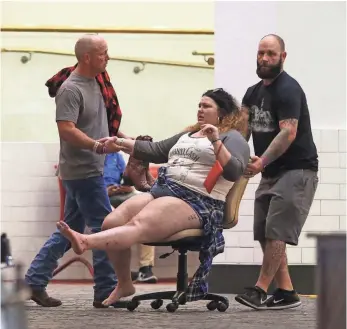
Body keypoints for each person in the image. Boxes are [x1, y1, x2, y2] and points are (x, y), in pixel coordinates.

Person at [55, 88, 250, 306]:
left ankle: (85, 241)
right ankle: (124, 283)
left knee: (138, 224)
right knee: (110, 222)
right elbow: (154, 150)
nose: (200, 110)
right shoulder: (188, 135)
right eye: (199, 105)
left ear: (222, 112)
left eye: (206, 106)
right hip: (166, 191)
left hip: (199, 201)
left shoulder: (232, 138)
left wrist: (215, 141)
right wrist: (118, 143)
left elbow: (234, 171)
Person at [24, 34, 129, 308]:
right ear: (87, 57)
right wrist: (96, 147)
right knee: (104, 228)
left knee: (70, 230)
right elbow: (66, 129)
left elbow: (102, 125)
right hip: (82, 171)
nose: (108, 57)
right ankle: (106, 290)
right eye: (103, 53)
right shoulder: (71, 89)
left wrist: (126, 142)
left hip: (89, 168)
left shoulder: (98, 81)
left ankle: (34, 282)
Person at [235, 34, 319, 310]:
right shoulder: (252, 92)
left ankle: (259, 289)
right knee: (264, 231)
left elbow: (288, 132)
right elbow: (242, 132)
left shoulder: (288, 89)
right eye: (261, 53)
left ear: (283, 57)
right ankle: (286, 291)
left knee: (277, 231)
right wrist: (234, 159)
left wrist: (261, 162)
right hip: (271, 172)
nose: (264, 59)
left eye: (271, 54)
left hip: (297, 170)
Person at [104, 152, 158, 283]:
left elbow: (128, 177)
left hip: (121, 194)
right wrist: (106, 191)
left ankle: (146, 269)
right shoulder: (90, 154)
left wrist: (128, 187)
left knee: (147, 213)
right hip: (102, 196)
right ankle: (118, 272)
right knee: (113, 220)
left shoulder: (115, 155)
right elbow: (87, 186)